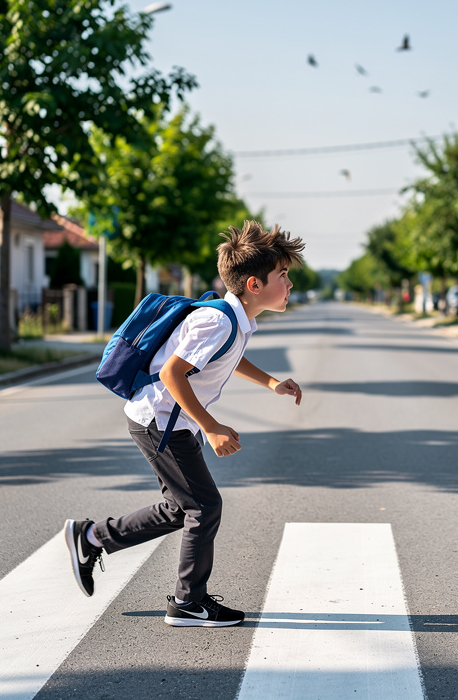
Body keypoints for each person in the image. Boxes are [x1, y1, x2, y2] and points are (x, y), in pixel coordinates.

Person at [64, 221, 305, 627]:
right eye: (283, 275)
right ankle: (187, 602)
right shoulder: (219, 321)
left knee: (182, 508)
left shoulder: (235, 320)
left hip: (167, 423)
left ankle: (91, 538)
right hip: (160, 423)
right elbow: (175, 374)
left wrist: (271, 382)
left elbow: (224, 357)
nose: (289, 283)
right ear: (254, 284)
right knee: (204, 506)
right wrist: (211, 427)